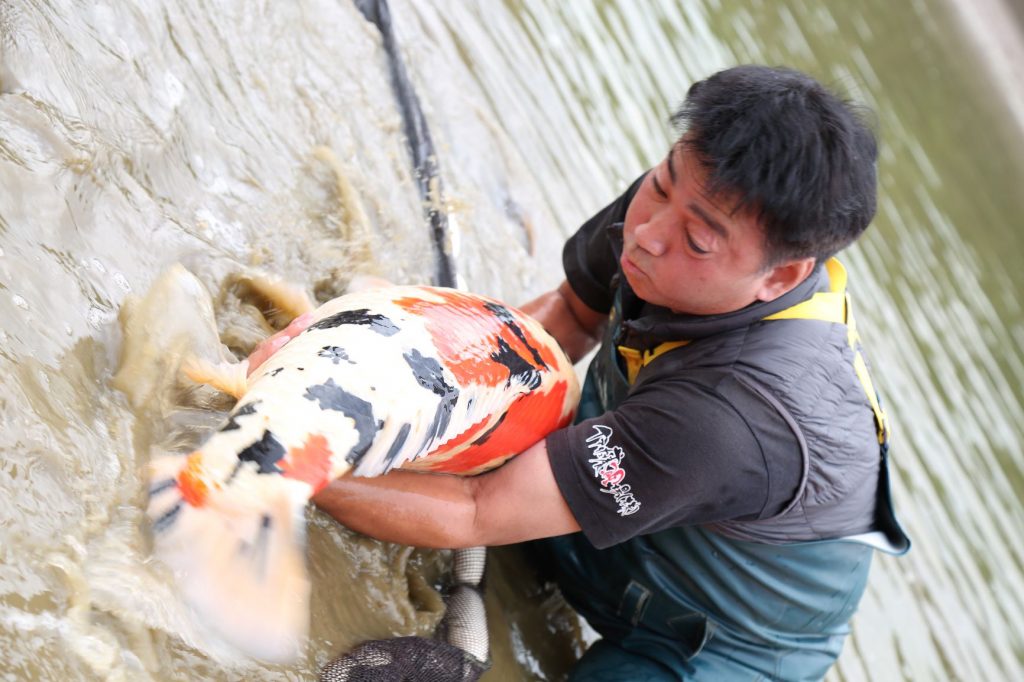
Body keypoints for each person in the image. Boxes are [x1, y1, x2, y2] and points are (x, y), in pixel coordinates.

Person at [311, 64, 910, 680]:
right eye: (661, 183)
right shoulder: (678, 207)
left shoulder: (734, 420)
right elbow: (564, 319)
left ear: (780, 277)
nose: (647, 235)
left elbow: (475, 510)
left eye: (698, 243)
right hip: (620, 491)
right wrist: (419, 366)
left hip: (707, 639)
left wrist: (286, 461)